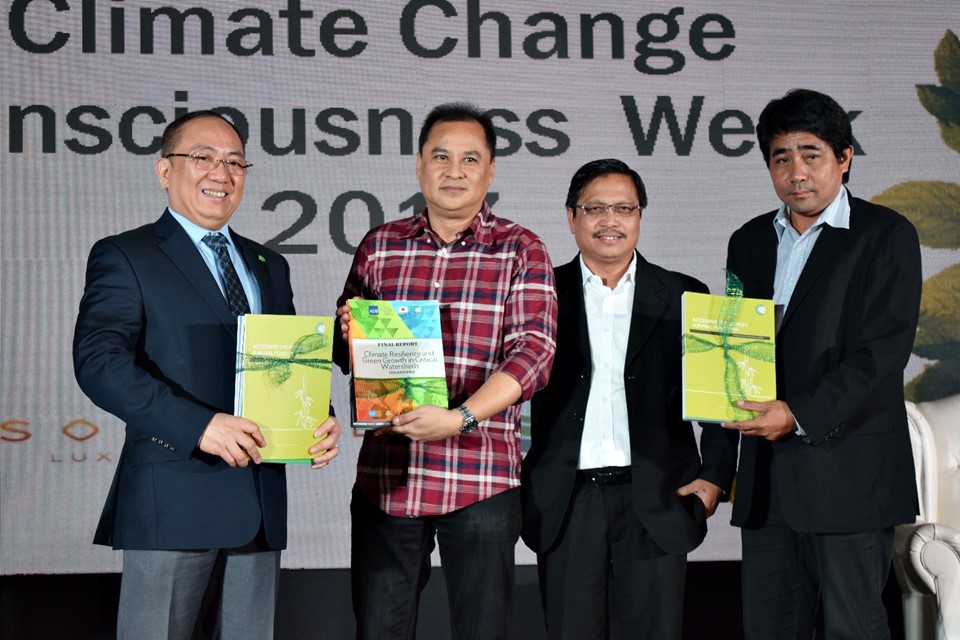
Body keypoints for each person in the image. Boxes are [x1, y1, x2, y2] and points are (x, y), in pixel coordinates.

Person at [73, 110, 342, 640]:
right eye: (203, 157)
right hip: (173, 495)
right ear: (164, 171)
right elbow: (99, 362)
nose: (221, 172)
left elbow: (284, 365)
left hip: (260, 497)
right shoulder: (126, 255)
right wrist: (200, 426)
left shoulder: (268, 263)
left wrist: (320, 417)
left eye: (235, 162)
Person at [334, 102, 558, 640]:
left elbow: (535, 354)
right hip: (388, 481)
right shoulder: (379, 244)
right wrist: (347, 332)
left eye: (469, 158)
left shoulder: (521, 248)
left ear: (490, 170)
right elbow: (346, 356)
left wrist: (460, 418)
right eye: (440, 156)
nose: (453, 170)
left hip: (478, 480)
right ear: (419, 166)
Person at [724, 89, 922, 639]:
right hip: (767, 483)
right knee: (770, 627)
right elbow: (733, 349)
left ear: (844, 157)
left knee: (852, 627)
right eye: (780, 157)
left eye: (811, 154)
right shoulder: (749, 241)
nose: (796, 172)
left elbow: (882, 352)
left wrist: (798, 413)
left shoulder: (885, 235)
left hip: (850, 477)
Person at [520, 158, 739, 640]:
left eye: (624, 208)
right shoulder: (539, 294)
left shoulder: (684, 294)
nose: (610, 220)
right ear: (571, 217)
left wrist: (713, 480)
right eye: (594, 208)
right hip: (567, 500)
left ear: (640, 216)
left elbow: (719, 401)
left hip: (659, 497)